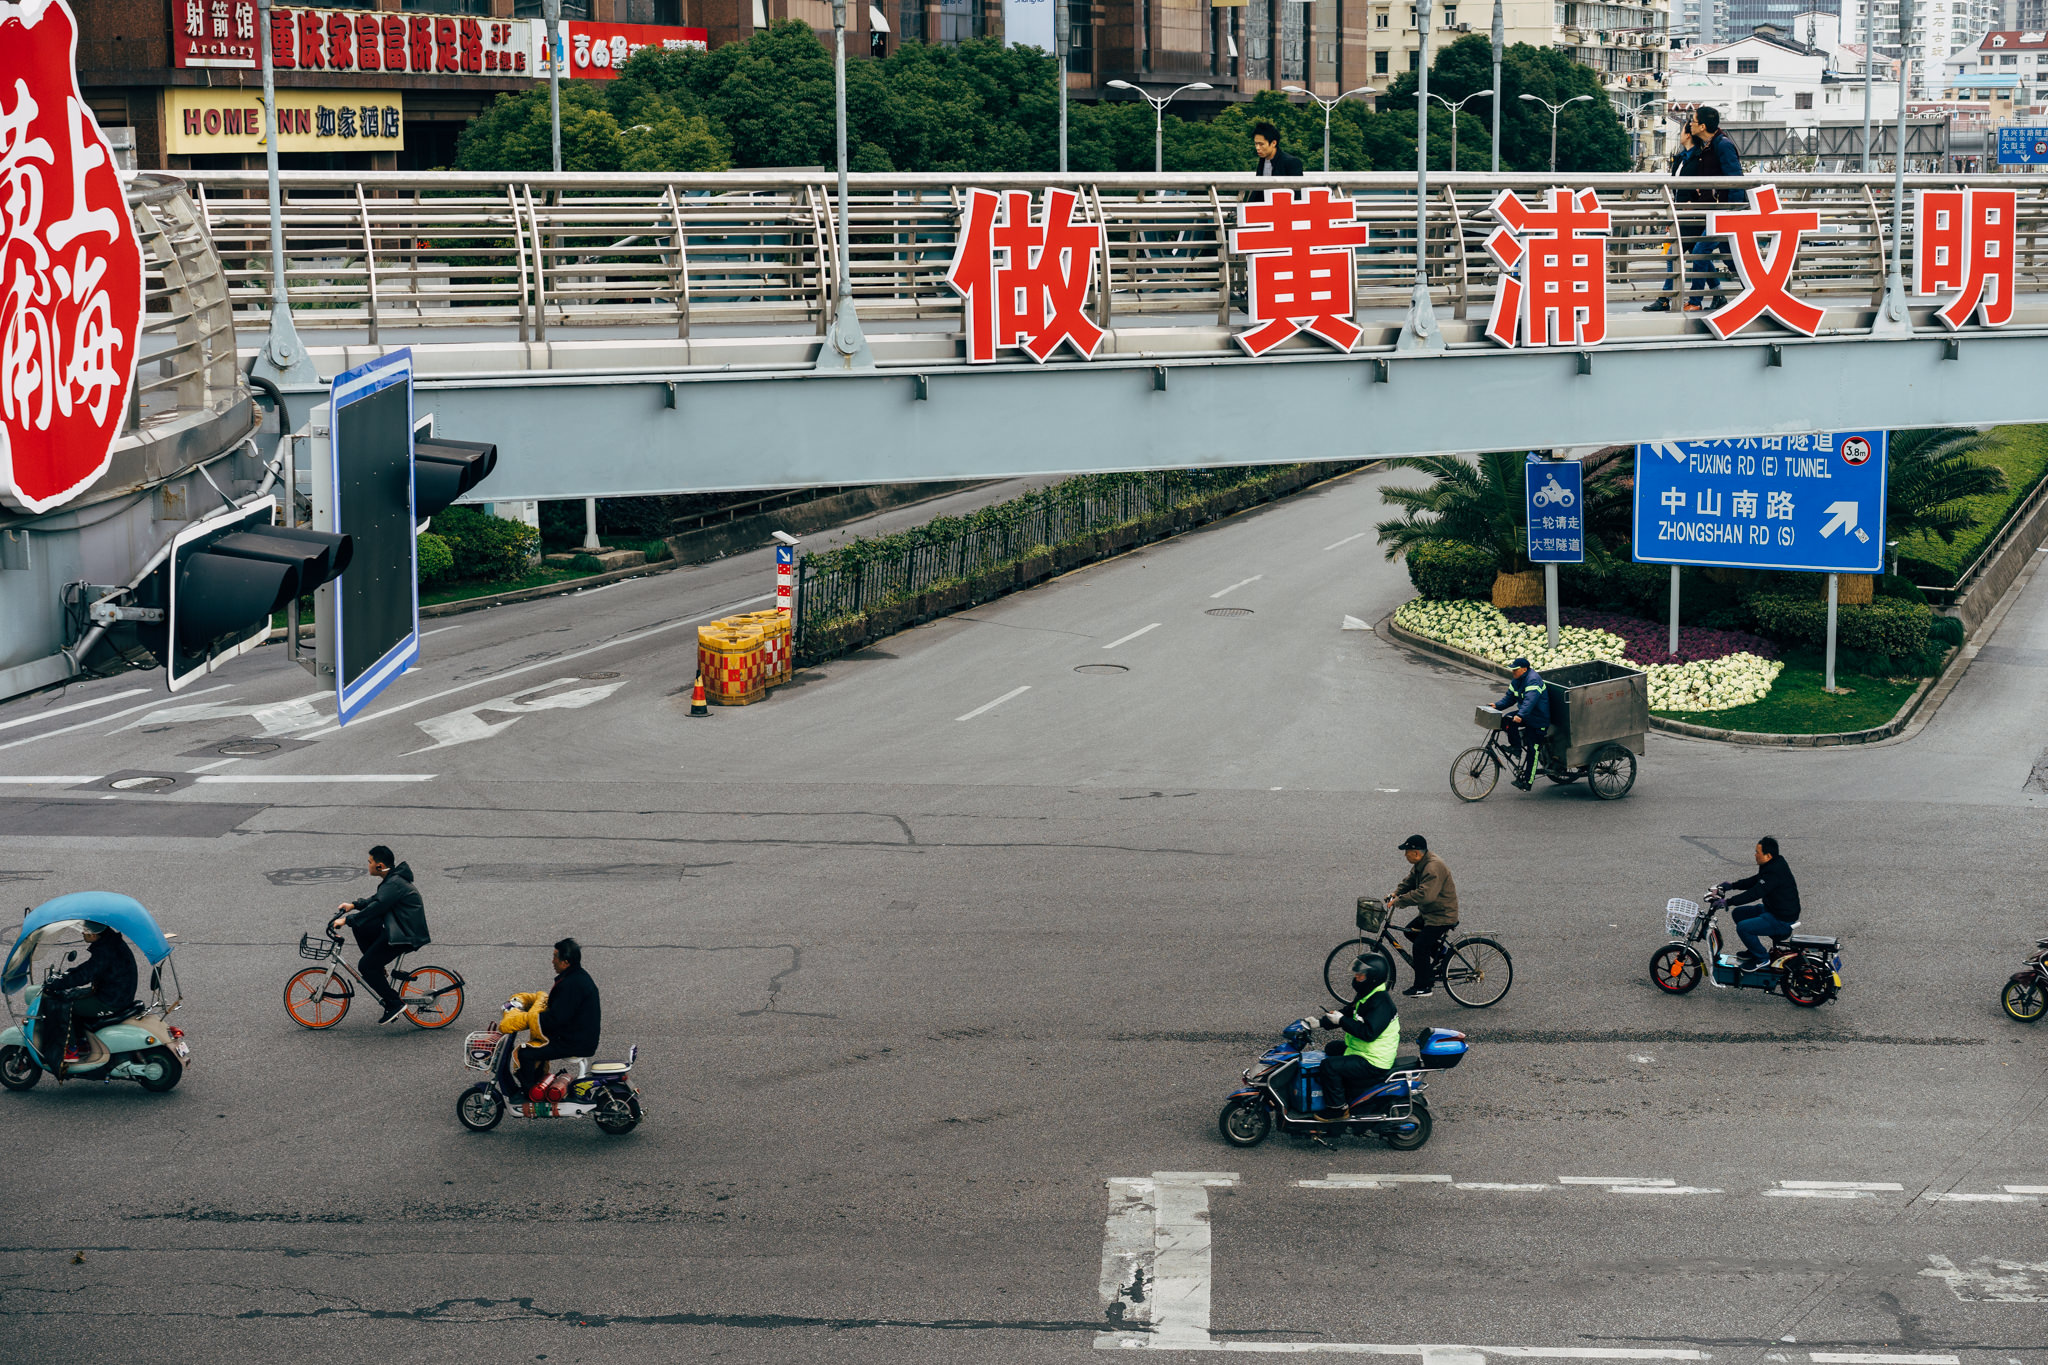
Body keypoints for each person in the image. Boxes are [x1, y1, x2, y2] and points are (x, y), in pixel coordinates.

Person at [332, 845, 430, 1025]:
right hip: (399, 927)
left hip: (406, 934)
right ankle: (377, 966)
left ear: (380, 866)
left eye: (370, 862)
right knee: (362, 927)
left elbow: (377, 906)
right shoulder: (392, 880)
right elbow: (377, 899)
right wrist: (354, 905)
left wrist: (347, 920)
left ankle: (394, 1003)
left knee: (365, 966)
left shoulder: (394, 883)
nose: (367, 865)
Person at [1316, 955, 1401, 1119]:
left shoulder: (1381, 1003)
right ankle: (1348, 1092)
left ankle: (1337, 1109)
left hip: (1374, 1060)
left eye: (1361, 975)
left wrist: (1341, 1020)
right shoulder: (1368, 994)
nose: (1357, 977)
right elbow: (1348, 1013)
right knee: (1332, 1048)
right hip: (1363, 1050)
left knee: (1329, 1066)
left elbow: (1368, 1033)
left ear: (1373, 977)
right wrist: (1320, 1023)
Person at [515, 938, 602, 1095]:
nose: (552, 961)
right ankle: (538, 1083)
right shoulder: (577, 977)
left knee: (525, 1053)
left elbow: (557, 1018)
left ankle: (529, 1094)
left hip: (574, 1042)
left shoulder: (571, 985)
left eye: (555, 957)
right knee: (536, 1046)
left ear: (565, 962)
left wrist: (529, 1019)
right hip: (577, 1036)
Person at [44, 921, 138, 1063]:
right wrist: (68, 974)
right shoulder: (110, 943)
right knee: (74, 995)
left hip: (111, 1000)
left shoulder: (105, 951)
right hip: (114, 992)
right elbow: (88, 968)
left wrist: (57, 984)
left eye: (85, 931)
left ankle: (71, 1050)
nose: (82, 933)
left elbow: (85, 975)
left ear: (94, 935)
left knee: (66, 1006)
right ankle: (82, 1041)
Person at [1683, 106, 1745, 313]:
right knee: (1733, 259)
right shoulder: (1707, 145)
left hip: (1724, 213)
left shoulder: (1723, 145)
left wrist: (1732, 212)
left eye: (1692, 120)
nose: (1690, 124)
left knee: (1701, 251)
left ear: (1702, 126)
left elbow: (1736, 180)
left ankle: (1695, 301)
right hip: (1713, 212)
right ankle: (1759, 291)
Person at [1387, 834, 1459, 998]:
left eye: (1407, 852)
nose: (1405, 855)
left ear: (1416, 853)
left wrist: (1400, 901)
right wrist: (1395, 893)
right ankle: (1442, 956)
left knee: (1420, 946)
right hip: (1431, 913)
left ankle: (1423, 986)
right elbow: (1410, 881)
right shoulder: (1422, 863)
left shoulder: (1432, 867)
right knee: (1410, 931)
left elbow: (1425, 895)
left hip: (1442, 916)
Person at [1720, 837, 1801, 968]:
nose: (1755, 854)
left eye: (1758, 852)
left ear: (1768, 856)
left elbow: (1755, 893)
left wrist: (1728, 902)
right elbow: (1756, 880)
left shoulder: (1774, 872)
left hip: (1781, 919)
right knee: (1739, 913)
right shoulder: (1773, 863)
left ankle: (1762, 958)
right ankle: (1753, 950)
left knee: (1743, 928)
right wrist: (1731, 885)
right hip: (1773, 910)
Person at [1643, 124, 1699, 312]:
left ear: (1689, 135)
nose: (1680, 134)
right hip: (1679, 213)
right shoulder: (1681, 158)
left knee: (1674, 254)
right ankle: (1718, 293)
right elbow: (1674, 187)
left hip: (1691, 214)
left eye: (1682, 131)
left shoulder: (1698, 157)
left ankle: (1666, 298)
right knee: (1698, 254)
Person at [1495, 657, 1552, 790]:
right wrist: (1496, 706)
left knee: (1533, 750)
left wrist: (1520, 715)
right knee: (1507, 720)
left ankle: (1527, 782)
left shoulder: (1533, 680)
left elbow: (1529, 701)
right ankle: (1516, 748)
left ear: (1524, 669)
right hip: (1527, 715)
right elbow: (1509, 698)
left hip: (1538, 719)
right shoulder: (1517, 680)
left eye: (1515, 669)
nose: (1513, 672)